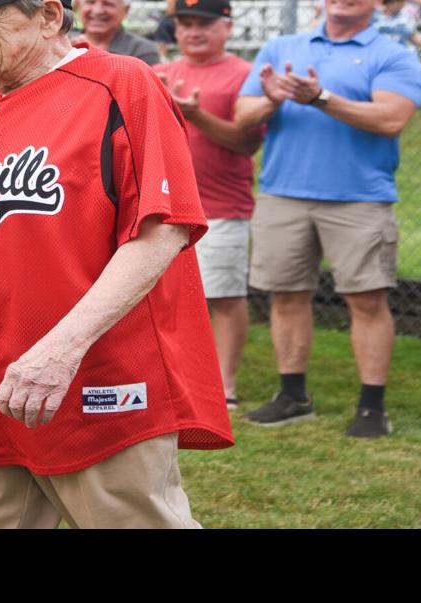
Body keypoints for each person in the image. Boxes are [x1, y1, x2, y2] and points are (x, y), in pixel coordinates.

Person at [0, 0, 232, 529]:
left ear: (49, 16)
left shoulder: (122, 83)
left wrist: (61, 349)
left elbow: (163, 230)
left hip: (88, 376)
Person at [233, 0, 421, 437]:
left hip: (358, 198)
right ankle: (293, 397)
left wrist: (320, 98)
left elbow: (392, 119)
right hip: (283, 193)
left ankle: (372, 409)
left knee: (368, 300)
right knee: (286, 296)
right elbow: (243, 116)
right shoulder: (282, 45)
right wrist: (272, 98)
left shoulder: (392, 53)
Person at [154, 0, 261, 411]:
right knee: (165, 297)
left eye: (204, 24)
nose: (194, 32)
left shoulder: (243, 75)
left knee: (223, 297)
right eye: (186, 24)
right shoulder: (159, 74)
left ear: (227, 28)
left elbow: (247, 141)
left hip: (220, 205)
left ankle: (224, 386)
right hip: (165, 206)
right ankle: (176, 379)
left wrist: (196, 116)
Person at [72, 0, 161, 64]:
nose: (97, 11)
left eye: (108, 3)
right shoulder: (65, 43)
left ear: (126, 10)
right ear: (80, 6)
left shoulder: (141, 50)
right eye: (91, 2)